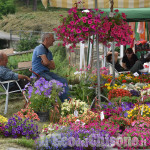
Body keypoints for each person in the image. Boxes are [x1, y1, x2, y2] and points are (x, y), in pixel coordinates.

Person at [32, 33, 69, 102]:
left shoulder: (49, 52)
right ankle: (63, 102)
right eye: (52, 38)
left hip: (47, 73)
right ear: (46, 39)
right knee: (55, 83)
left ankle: (67, 102)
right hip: (38, 74)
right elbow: (46, 62)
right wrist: (47, 63)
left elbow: (53, 66)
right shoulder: (40, 48)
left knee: (63, 80)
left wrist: (46, 63)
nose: (54, 40)